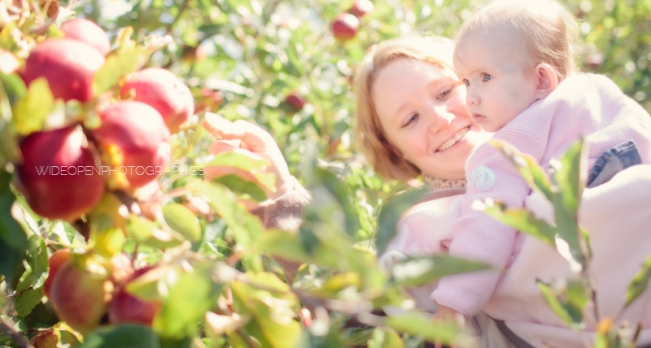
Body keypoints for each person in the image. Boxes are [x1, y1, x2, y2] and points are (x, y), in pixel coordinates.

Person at [201, 30, 651, 347]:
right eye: (410, 119)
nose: (438, 118)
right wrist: (279, 196)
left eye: (445, 91)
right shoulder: (422, 228)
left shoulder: (580, 125)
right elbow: (353, 303)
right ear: (397, 154)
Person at [412, 0, 651, 321]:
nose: (472, 97)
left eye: (485, 77)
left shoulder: (507, 146)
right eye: (466, 81)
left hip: (589, 265)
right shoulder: (603, 91)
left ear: (542, 79)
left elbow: (487, 224)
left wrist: (454, 302)